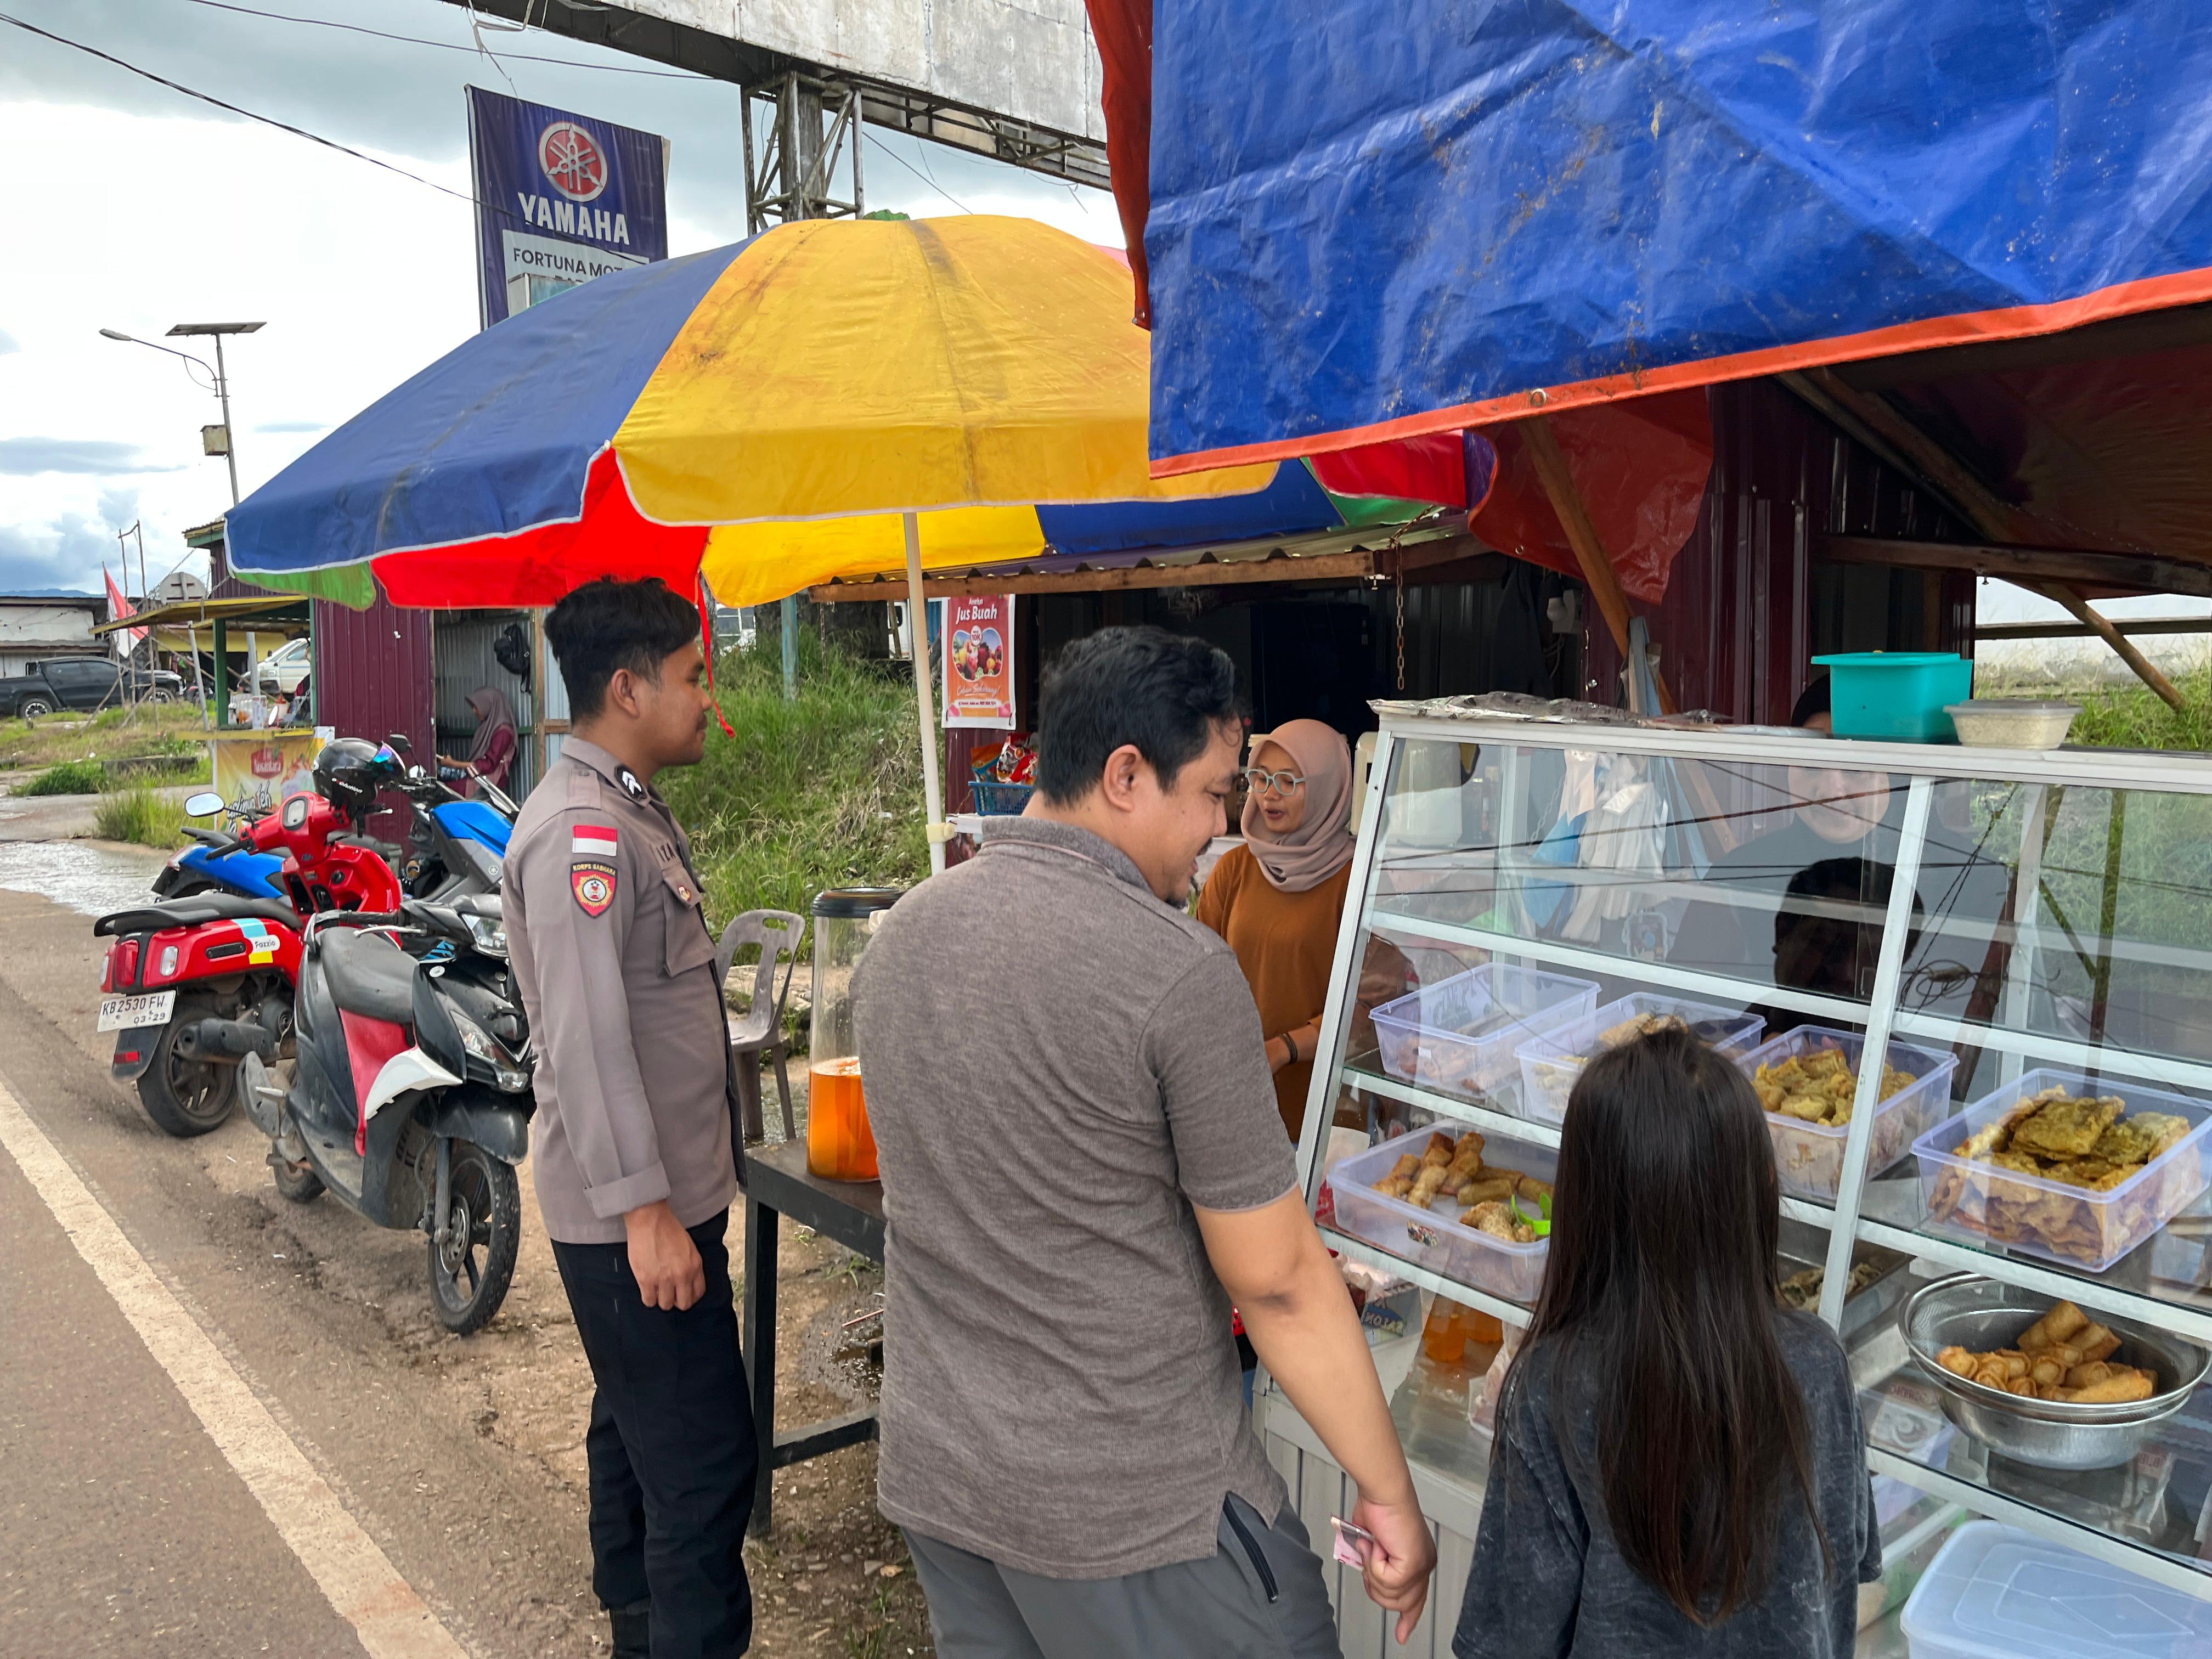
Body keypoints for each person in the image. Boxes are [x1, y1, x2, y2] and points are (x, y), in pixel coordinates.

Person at [853, 625, 1436, 1658]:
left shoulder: (904, 933)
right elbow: (1283, 1282)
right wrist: (1387, 1492)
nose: (1220, 830)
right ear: (1126, 773)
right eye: (1211, 794)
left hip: (945, 1481)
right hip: (1136, 1512)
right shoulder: (1174, 969)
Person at [504, 578, 755, 1659]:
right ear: (628, 686)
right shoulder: (583, 835)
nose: (708, 699)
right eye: (694, 676)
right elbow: (592, 1036)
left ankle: (639, 1635)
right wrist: (648, 1211)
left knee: (639, 1440)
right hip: (633, 1221)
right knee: (703, 1466)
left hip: (653, 1208)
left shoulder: (622, 807)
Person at [1453, 1028, 1879, 1657]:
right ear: (1754, 1192)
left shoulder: (1552, 1386)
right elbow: (1848, 1565)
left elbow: (1513, 1637)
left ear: (1585, 1201)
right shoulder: (1818, 1362)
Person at [1196, 719, 1356, 1141]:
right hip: (1235, 1100)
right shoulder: (1235, 869)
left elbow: (1369, 1006)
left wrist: (1284, 1048)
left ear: (1327, 787)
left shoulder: (1354, 881)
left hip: (1323, 1113)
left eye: (1289, 781)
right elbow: (1196, 976)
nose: (1269, 794)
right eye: (1260, 778)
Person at [439, 685, 519, 795]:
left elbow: (488, 765)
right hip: (478, 776)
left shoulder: (504, 733)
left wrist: (454, 764)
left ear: (489, 705)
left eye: (476, 707)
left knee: (445, 790)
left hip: (487, 781)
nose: (474, 711)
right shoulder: (489, 727)